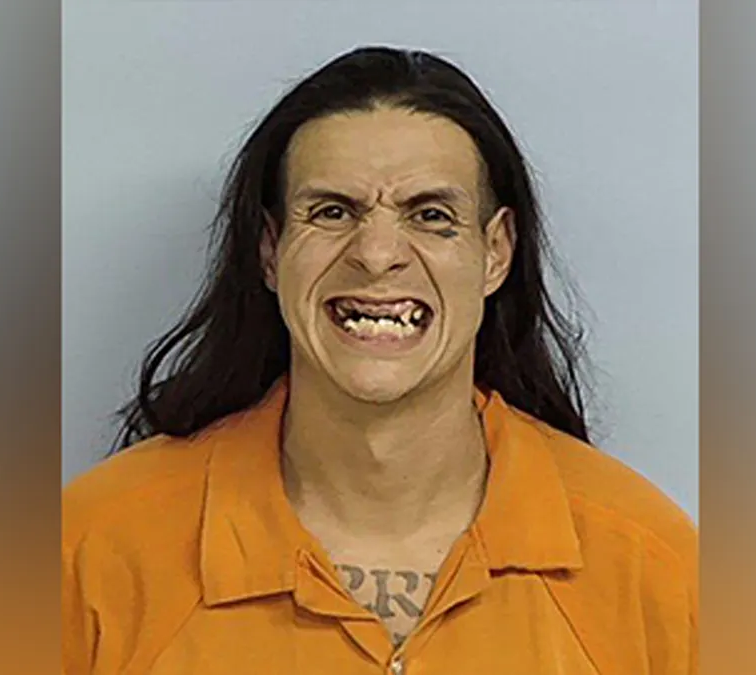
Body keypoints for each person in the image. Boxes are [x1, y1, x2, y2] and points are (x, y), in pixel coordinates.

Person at [63, 46, 697, 674]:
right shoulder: (88, 550)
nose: (376, 254)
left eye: (431, 216)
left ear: (496, 252)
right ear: (270, 249)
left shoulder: (655, 566)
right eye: (333, 212)